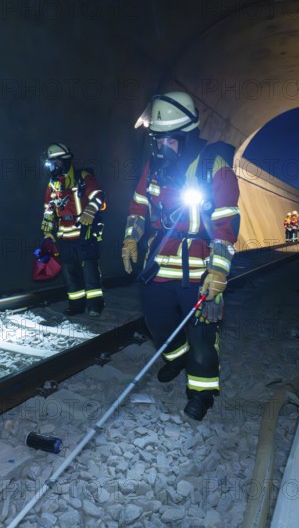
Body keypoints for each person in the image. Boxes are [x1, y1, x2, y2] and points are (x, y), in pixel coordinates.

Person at [121, 91, 240, 421]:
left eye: (169, 141)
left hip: (199, 269)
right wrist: (131, 238)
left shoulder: (213, 168)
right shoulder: (154, 168)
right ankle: (177, 356)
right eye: (156, 141)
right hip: (159, 265)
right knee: (157, 323)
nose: (161, 149)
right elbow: (138, 206)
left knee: (203, 336)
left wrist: (218, 273)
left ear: (187, 138)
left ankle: (201, 392)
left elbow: (225, 225)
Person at [40, 143, 106, 316]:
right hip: (64, 234)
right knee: (70, 272)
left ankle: (95, 305)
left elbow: (99, 195)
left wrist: (91, 210)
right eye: (50, 164)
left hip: (84, 232)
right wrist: (47, 228)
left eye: (56, 163)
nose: (53, 167)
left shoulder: (83, 177)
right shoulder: (53, 184)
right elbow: (49, 206)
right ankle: (76, 305)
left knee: (90, 271)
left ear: (65, 161)